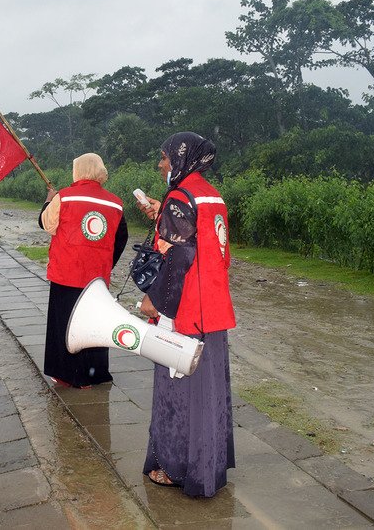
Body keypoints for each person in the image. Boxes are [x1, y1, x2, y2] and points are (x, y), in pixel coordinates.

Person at [135, 131, 236, 497]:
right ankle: (208, 466)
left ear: (180, 158)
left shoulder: (180, 196)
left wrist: (155, 301)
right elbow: (204, 242)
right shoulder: (210, 193)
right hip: (213, 307)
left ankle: (177, 467)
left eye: (164, 158)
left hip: (185, 310)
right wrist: (160, 213)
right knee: (208, 389)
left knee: (178, 389)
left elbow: (179, 256)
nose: (161, 164)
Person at [39, 153, 129, 388]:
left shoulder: (64, 197)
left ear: (78, 170)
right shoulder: (115, 202)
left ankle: (69, 376)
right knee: (96, 325)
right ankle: (96, 374)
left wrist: (49, 201)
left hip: (66, 275)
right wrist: (106, 264)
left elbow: (46, 224)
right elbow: (122, 238)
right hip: (97, 279)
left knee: (66, 324)